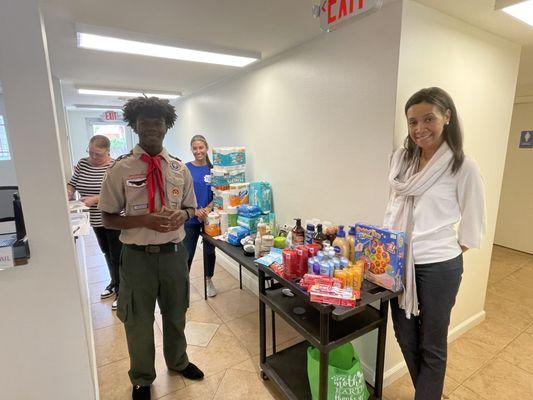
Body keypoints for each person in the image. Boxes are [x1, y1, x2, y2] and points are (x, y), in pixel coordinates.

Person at [383, 87, 486, 400]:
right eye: (413, 122)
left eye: (428, 119)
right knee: (406, 337)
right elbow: (392, 210)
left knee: (432, 344)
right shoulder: (401, 162)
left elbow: (472, 227)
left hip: (439, 267)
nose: (419, 129)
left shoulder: (462, 167)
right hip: (397, 263)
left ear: (447, 117)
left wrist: (434, 251)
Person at [99, 97, 204, 400]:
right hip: (137, 259)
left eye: (157, 122)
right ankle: (142, 378)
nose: (150, 127)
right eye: (144, 121)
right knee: (138, 321)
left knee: (176, 314)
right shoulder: (120, 169)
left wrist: (180, 215)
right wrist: (144, 219)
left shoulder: (178, 168)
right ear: (134, 125)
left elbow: (190, 210)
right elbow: (107, 217)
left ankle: (179, 361)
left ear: (166, 126)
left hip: (174, 255)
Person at [67, 135, 122, 310]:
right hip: (95, 220)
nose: (93, 157)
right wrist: (67, 193)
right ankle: (114, 283)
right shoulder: (83, 163)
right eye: (90, 152)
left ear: (107, 152)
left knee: (118, 256)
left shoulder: (114, 166)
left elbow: (119, 194)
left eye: (98, 154)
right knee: (106, 252)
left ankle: (123, 291)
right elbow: (72, 183)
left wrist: (95, 200)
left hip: (113, 218)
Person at [182, 134, 217, 297]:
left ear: (206, 148)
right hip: (191, 217)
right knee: (186, 254)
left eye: (200, 147)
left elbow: (220, 193)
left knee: (210, 252)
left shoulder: (214, 169)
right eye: (194, 148)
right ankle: (183, 285)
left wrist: (209, 209)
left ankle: (208, 280)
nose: (198, 151)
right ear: (191, 149)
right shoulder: (185, 168)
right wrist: (195, 210)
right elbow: (180, 195)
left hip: (210, 218)